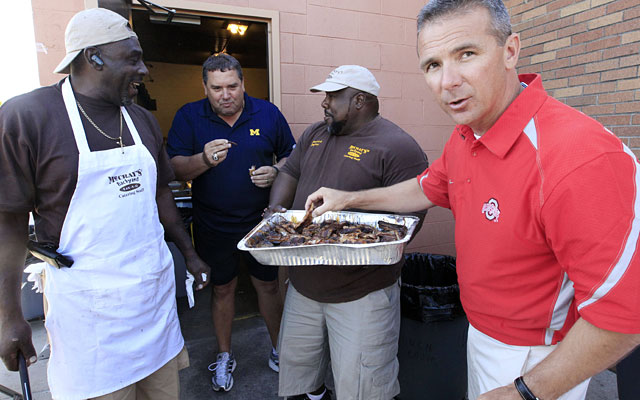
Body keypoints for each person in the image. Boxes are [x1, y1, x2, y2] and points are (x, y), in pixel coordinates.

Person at [305, 2, 640, 400]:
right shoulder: (468, 134)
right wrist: (350, 198)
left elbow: (624, 317)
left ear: (510, 51)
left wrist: (524, 392)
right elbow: (426, 188)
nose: (448, 81)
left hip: (537, 358)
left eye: (466, 54)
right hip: (479, 332)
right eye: (432, 65)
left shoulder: (581, 156)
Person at [0, 7, 210, 400]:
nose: (144, 69)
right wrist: (8, 316)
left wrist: (189, 252)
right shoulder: (28, 117)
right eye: (132, 58)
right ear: (92, 57)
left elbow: (161, 192)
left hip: (151, 306)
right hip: (90, 320)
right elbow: (7, 222)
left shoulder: (141, 119)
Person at [266, 65, 429, 400]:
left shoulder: (397, 146)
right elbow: (290, 172)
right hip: (304, 287)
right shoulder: (315, 134)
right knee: (300, 376)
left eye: (332, 97)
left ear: (359, 101)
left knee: (363, 386)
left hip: (361, 293)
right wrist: (275, 210)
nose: (325, 103)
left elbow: (412, 218)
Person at [166, 53, 295, 392]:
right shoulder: (189, 116)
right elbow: (174, 168)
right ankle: (224, 354)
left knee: (267, 286)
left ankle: (280, 349)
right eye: (217, 88)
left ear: (243, 83)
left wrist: (277, 171)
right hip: (213, 222)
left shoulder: (267, 113)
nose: (225, 95)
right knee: (222, 289)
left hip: (261, 223)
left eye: (232, 86)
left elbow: (292, 156)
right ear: (205, 88)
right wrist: (203, 160)